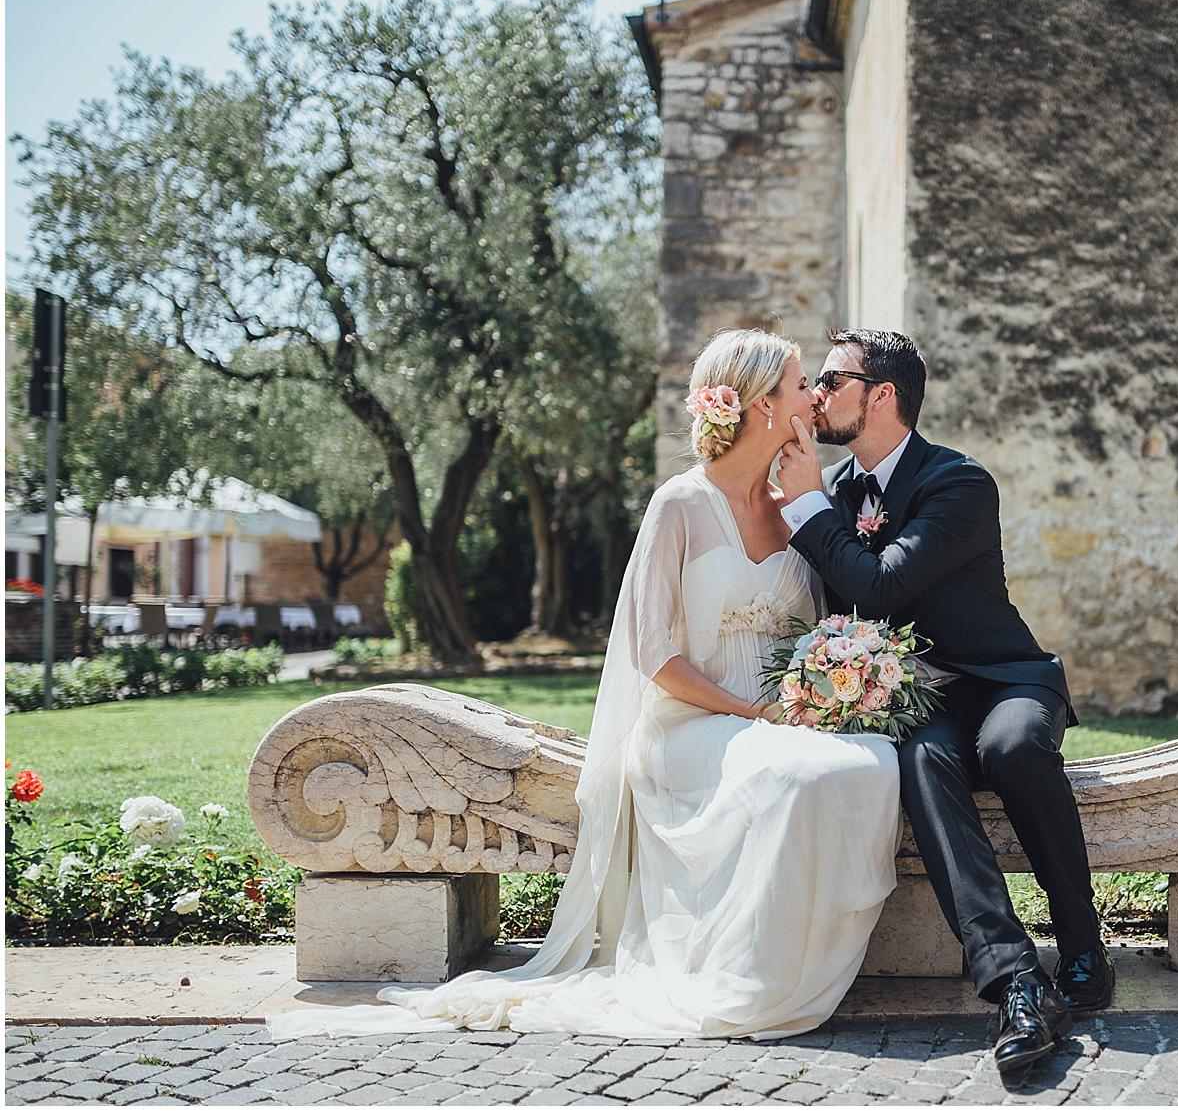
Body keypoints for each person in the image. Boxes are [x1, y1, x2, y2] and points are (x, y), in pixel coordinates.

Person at [266, 329, 901, 1041]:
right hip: (690, 725)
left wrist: (820, 693)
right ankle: (750, 980)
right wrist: (751, 711)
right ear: (758, 406)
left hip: (774, 722)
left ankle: (799, 968)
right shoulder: (680, 505)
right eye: (796, 386)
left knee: (870, 762)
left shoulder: (800, 508)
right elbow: (654, 654)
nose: (813, 398)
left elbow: (815, 633)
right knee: (797, 778)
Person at [775, 328, 1113, 1072]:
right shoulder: (834, 495)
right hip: (924, 703)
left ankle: (1082, 939)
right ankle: (1017, 981)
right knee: (922, 759)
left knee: (1015, 746)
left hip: (1006, 679)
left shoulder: (959, 483)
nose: (817, 396)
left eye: (831, 381)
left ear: (883, 395)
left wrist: (804, 508)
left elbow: (884, 584)